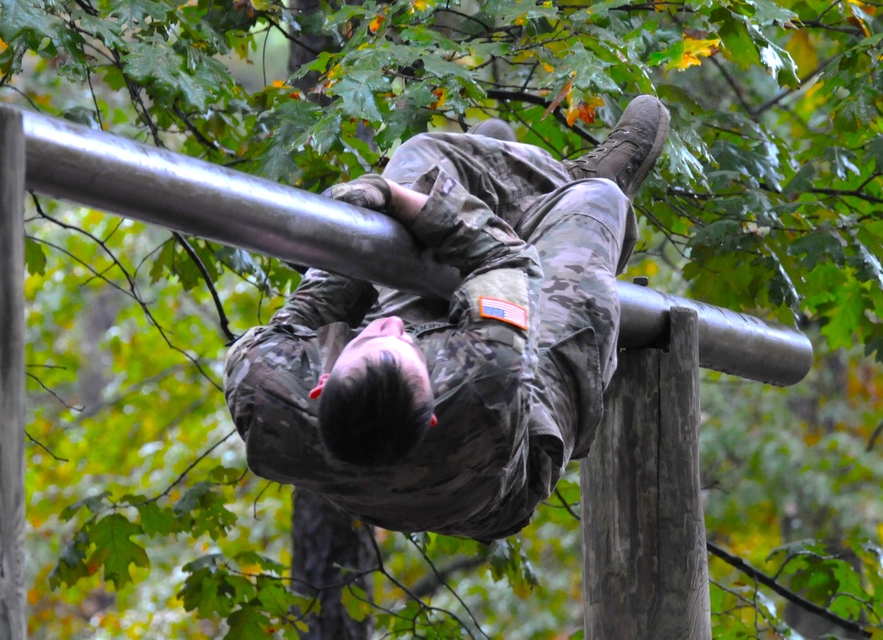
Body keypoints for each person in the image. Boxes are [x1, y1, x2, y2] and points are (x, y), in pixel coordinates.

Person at [223, 96, 670, 541]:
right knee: (597, 202)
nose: (392, 325)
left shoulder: (264, 386)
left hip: (429, 403)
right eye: (403, 341)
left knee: (420, 158)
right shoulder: (487, 378)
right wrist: (399, 200)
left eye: (372, 335)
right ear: (431, 403)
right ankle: (560, 183)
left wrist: (354, 228)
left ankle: (508, 184)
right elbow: (507, 263)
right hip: (517, 436)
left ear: (321, 383)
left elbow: (312, 304)